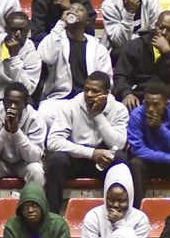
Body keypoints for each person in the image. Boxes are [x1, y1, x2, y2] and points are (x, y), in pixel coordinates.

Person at [42, 71, 129, 212]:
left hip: (103, 161)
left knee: (120, 158)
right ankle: (53, 215)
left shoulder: (119, 109)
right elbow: (53, 142)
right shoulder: (71, 106)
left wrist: (97, 115)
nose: (89, 94)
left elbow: (119, 144)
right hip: (76, 159)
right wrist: (91, 153)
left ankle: (119, 213)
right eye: (86, 89)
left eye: (95, 91)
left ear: (107, 93)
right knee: (56, 159)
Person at [0, 82, 45, 214]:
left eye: (17, 103)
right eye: (9, 102)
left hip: (24, 163)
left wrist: (16, 132)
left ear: (25, 104)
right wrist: (5, 131)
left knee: (37, 170)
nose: (12, 107)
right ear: (3, 101)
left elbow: (34, 157)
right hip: (0, 162)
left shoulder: (35, 118)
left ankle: (34, 215)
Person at [126, 82, 170, 200]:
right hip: (149, 162)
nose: (150, 109)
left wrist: (160, 128)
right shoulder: (136, 115)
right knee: (135, 164)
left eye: (156, 105)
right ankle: (136, 211)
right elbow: (137, 149)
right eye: (147, 104)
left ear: (166, 103)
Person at [36, 1, 111, 104]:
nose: (74, 12)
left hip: (89, 99)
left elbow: (105, 79)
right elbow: (47, 58)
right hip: (59, 99)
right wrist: (60, 24)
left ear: (88, 21)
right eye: (71, 10)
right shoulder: (55, 38)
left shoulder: (98, 48)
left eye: (79, 10)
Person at [80, 165, 151, 238]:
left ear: (130, 199)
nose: (115, 205)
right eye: (111, 200)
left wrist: (120, 224)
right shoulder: (93, 216)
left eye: (121, 201)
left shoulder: (140, 219)